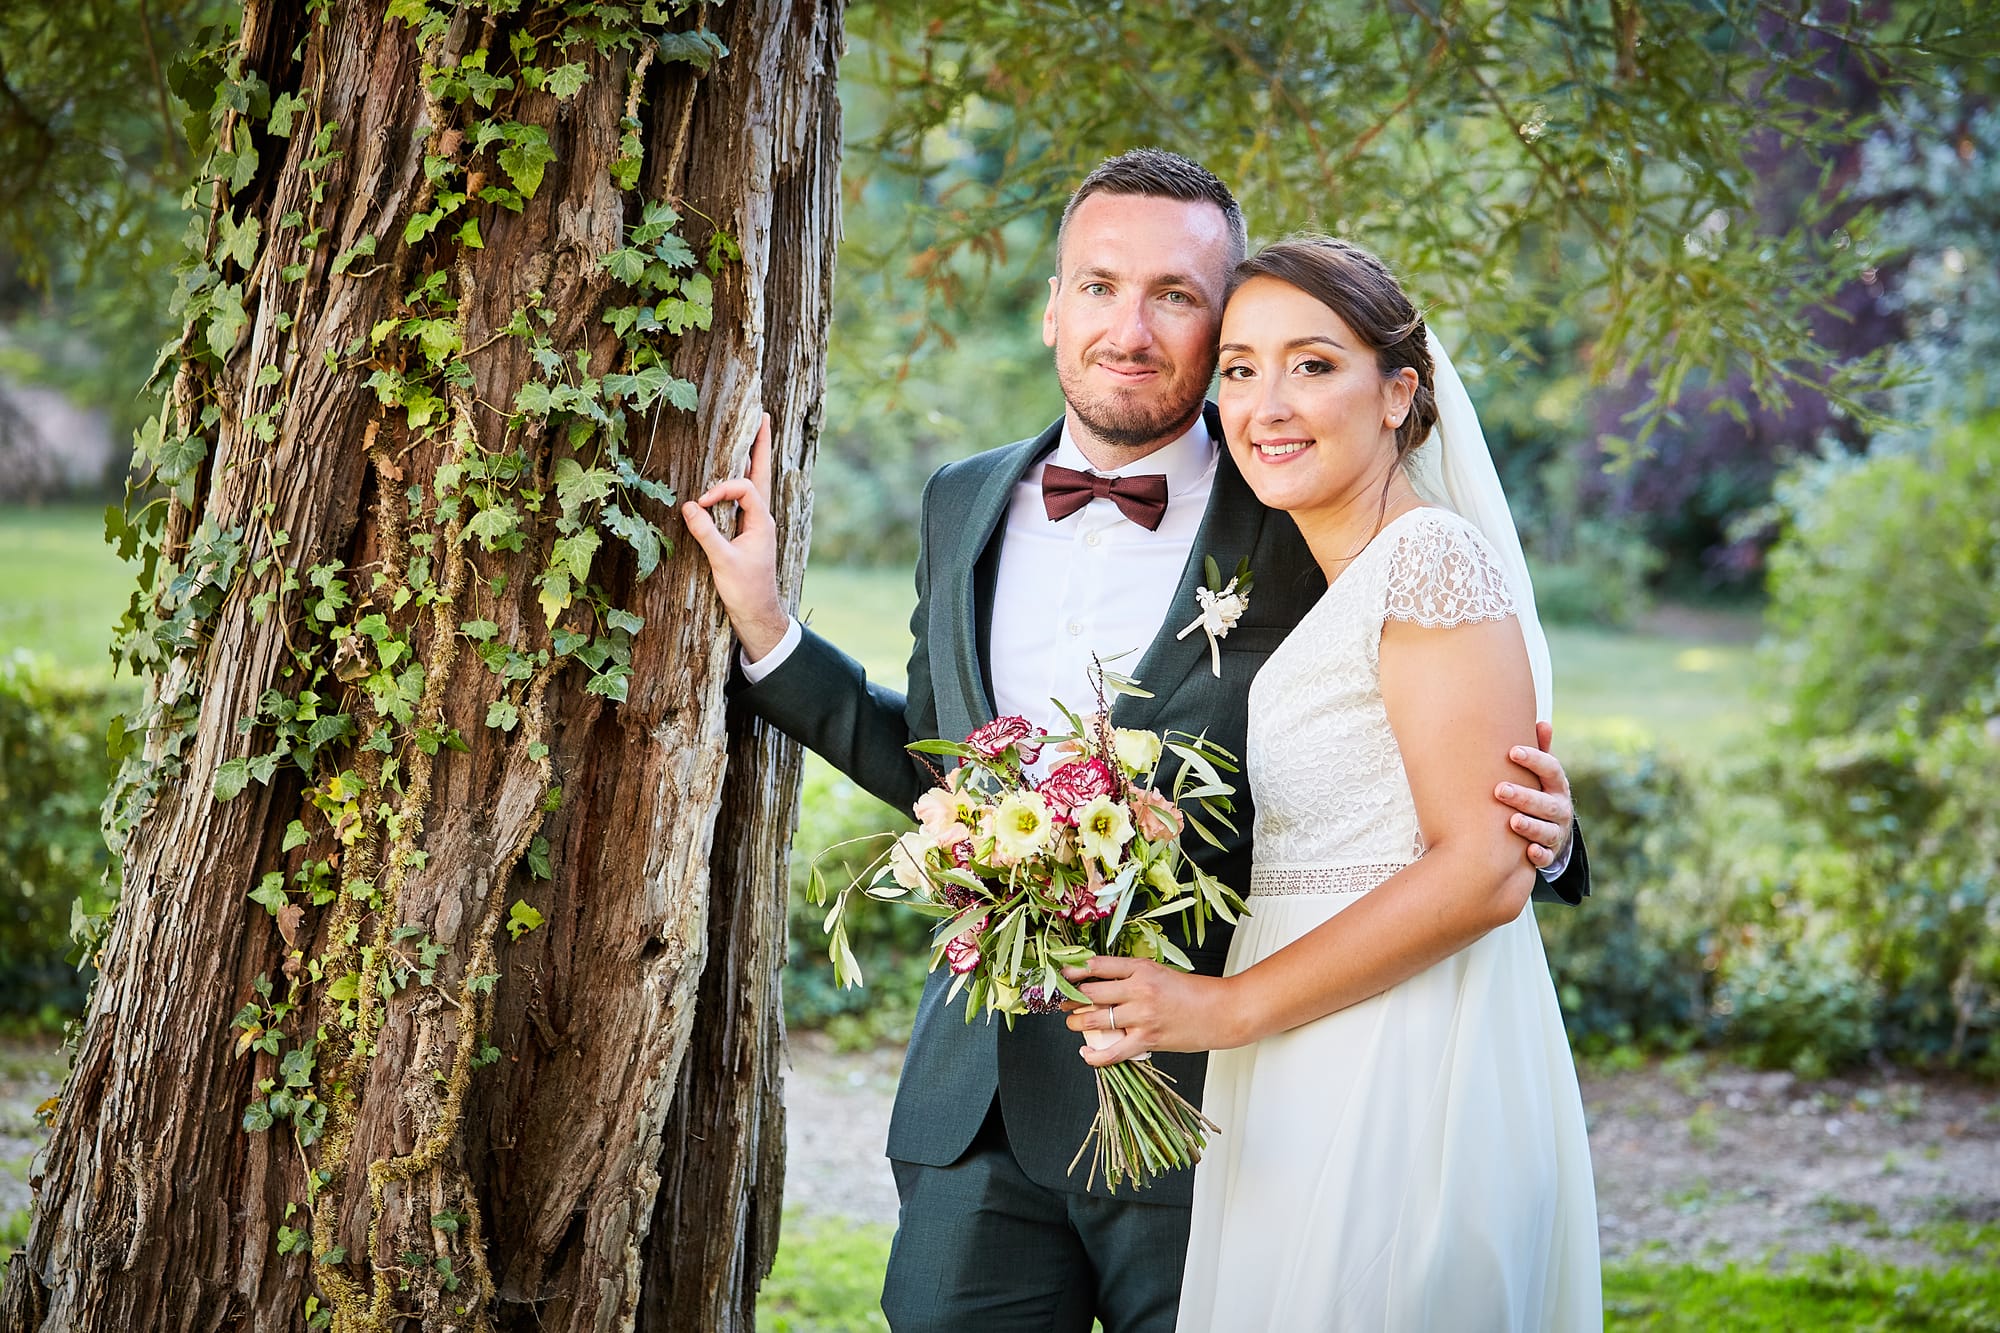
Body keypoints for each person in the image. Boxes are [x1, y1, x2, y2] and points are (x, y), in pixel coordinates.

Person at [683, 151, 1590, 1333]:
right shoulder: (961, 500)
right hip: (979, 1105)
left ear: (1221, 322)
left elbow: (1427, 737)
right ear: (1051, 305)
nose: (1130, 325)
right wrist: (765, 628)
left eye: (1175, 294)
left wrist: (1544, 837)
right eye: (1100, 285)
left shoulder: (1304, 508)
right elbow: (937, 768)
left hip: (1223, 1106)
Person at [1063, 237, 1602, 1330]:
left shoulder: (1427, 559)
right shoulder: (1331, 576)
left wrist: (1222, 1008)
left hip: (1400, 1052)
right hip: (1307, 1044)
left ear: (1399, 393)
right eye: (1240, 368)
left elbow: (1482, 876)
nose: (1267, 402)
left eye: (1312, 365)